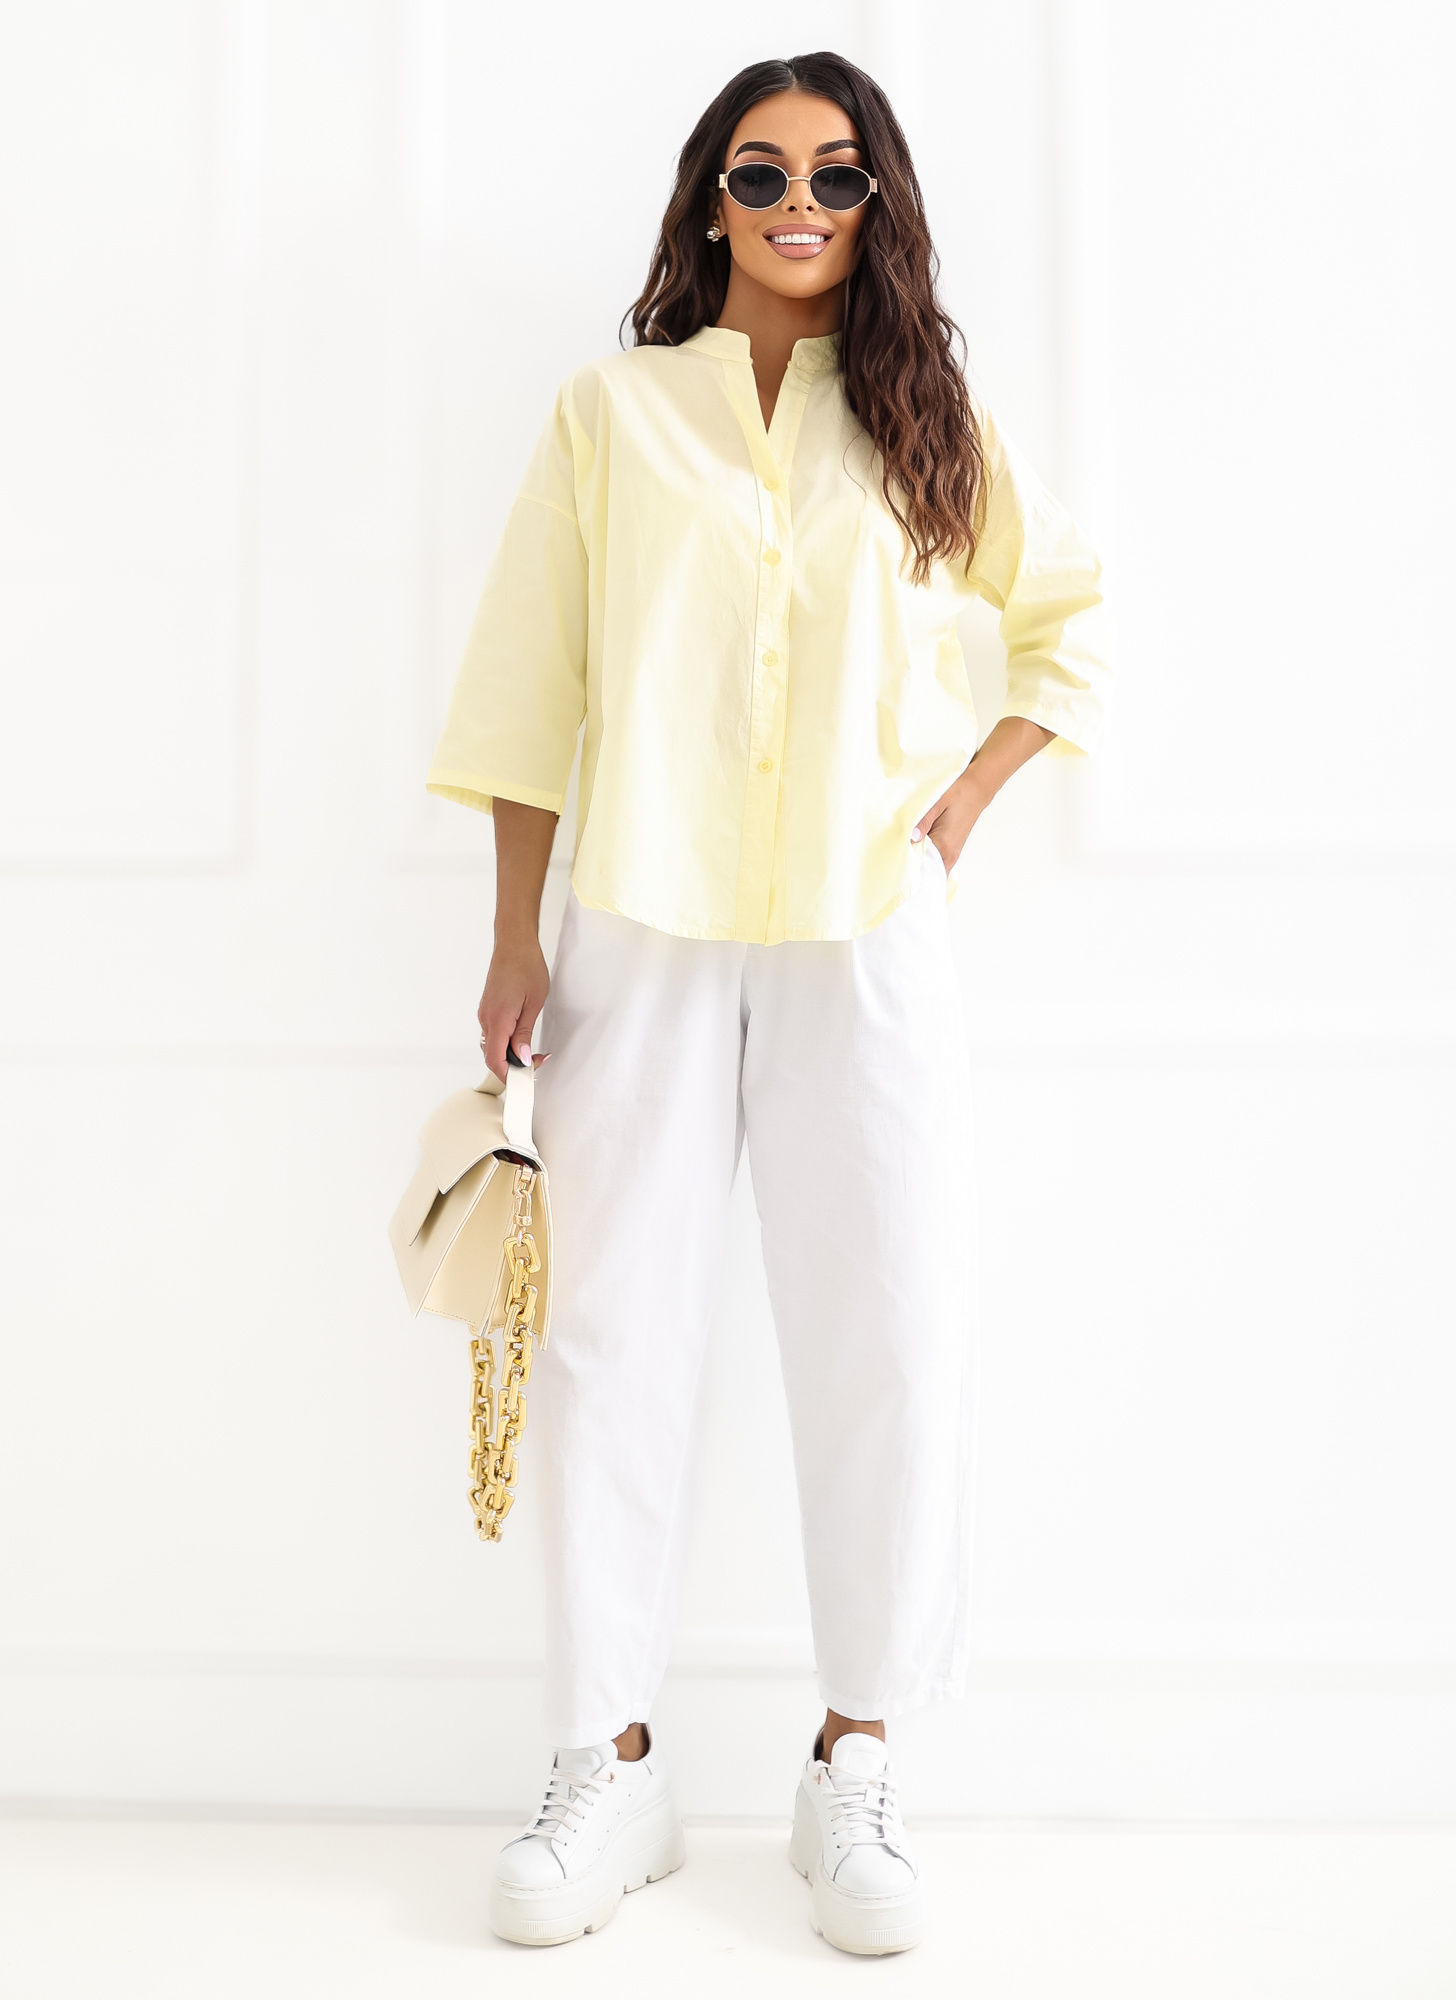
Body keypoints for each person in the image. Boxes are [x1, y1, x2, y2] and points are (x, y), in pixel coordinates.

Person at [425, 50, 1108, 1956]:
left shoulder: (925, 421)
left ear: (879, 203)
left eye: (836, 173)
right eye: (760, 170)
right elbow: (527, 686)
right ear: (708, 196)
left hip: (862, 927)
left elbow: (1067, 619)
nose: (799, 202)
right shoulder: (610, 415)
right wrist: (512, 938)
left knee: (887, 1325)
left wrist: (961, 807)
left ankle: (855, 1758)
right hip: (636, 922)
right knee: (607, 1338)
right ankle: (607, 1760)